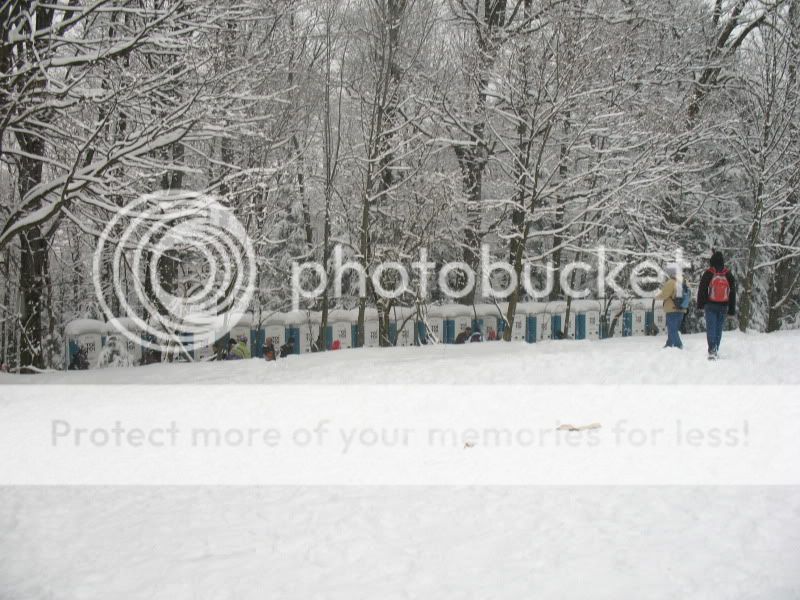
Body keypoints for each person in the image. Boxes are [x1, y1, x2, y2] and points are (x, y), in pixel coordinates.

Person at [696, 250, 736, 360]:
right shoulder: (728, 274)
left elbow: (702, 289)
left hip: (710, 305)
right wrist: (731, 310)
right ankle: (716, 348)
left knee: (711, 328)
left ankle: (712, 349)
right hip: (723, 306)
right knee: (718, 328)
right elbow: (732, 293)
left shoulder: (709, 273)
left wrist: (700, 305)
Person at [655, 263, 687, 349]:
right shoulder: (683, 281)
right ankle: (669, 343)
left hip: (672, 309)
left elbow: (664, 295)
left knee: (672, 329)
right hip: (681, 309)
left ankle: (678, 345)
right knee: (673, 328)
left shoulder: (671, 282)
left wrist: (656, 296)